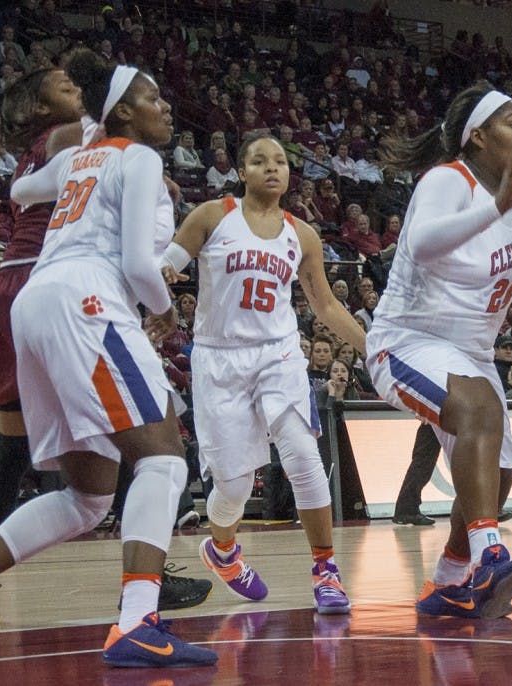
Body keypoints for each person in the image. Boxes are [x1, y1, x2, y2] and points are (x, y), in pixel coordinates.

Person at [0, 53, 218, 668]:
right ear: (123, 110)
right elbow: (134, 266)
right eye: (154, 98)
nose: (167, 107)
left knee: (88, 497)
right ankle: (137, 624)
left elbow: (20, 189)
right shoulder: (139, 156)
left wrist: (74, 164)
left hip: (34, 307)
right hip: (88, 302)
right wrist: (168, 309)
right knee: (163, 458)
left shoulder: (81, 155)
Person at [168, 132, 367, 615]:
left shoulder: (302, 233)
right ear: (241, 171)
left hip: (278, 354)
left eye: (279, 160)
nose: (272, 168)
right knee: (233, 486)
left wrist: (373, 347)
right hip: (219, 357)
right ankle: (222, 551)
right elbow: (166, 268)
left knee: (304, 455)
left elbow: (323, 303)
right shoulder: (213, 215)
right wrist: (160, 295)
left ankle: (325, 570)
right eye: (259, 161)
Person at [366, 82, 512, 620]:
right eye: (511, 123)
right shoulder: (448, 179)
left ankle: (446, 584)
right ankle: (490, 557)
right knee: (481, 415)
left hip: (473, 353)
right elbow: (419, 242)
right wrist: (495, 206)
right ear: (479, 137)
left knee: (500, 474)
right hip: (408, 341)